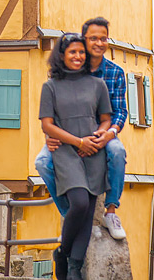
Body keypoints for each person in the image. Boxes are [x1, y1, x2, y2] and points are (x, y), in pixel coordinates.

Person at [35, 17, 129, 240]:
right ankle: (69, 214)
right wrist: (49, 135)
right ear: (84, 40)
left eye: (103, 38)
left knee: (117, 152)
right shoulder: (66, 69)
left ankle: (111, 210)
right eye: (93, 38)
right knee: (42, 163)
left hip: (100, 132)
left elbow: (120, 112)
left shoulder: (114, 73)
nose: (98, 43)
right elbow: (51, 112)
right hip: (69, 134)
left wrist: (109, 133)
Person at [40, 33, 112, 280]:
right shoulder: (50, 87)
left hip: (93, 152)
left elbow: (105, 120)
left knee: (88, 210)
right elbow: (47, 125)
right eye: (72, 52)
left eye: (82, 52)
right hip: (66, 152)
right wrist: (78, 142)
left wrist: (97, 138)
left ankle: (73, 267)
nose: (78, 56)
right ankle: (63, 252)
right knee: (79, 202)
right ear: (61, 55)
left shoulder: (97, 85)